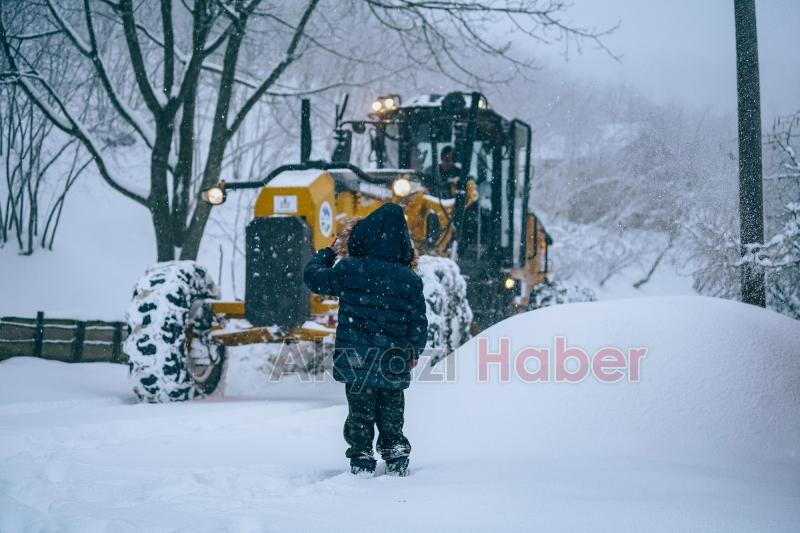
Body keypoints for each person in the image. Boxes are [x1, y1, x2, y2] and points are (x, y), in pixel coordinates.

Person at [303, 203, 428, 477]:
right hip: (393, 359)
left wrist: (328, 253)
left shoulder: (350, 269)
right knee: (392, 412)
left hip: (356, 358)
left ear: (364, 236)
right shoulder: (409, 279)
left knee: (360, 413)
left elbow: (313, 279)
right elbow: (418, 322)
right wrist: (414, 350)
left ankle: (361, 459)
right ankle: (395, 455)